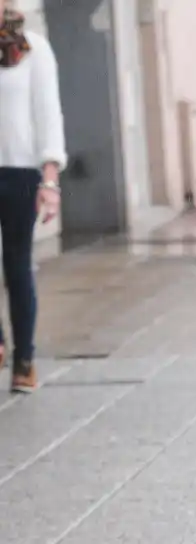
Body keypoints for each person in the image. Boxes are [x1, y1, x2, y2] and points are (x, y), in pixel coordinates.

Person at [0, 1, 66, 393]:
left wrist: (50, 179)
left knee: (16, 266)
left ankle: (24, 359)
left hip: (21, 174)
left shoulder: (33, 49)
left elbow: (49, 114)